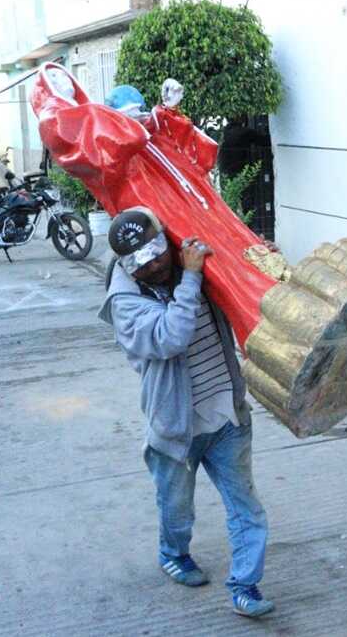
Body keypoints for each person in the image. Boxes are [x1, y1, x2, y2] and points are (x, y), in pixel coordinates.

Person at [99, 207, 273, 619]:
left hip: (226, 416)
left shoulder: (190, 264)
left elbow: (241, 291)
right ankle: (173, 553)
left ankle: (245, 586)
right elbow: (171, 336)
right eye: (142, 262)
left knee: (246, 507)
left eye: (159, 252)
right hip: (176, 428)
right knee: (176, 508)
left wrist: (255, 259)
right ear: (126, 266)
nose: (155, 264)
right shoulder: (125, 303)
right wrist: (191, 276)